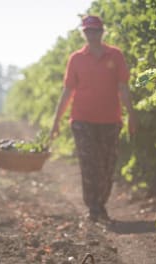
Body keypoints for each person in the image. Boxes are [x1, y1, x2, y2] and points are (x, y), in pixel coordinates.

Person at [50, 15, 136, 222]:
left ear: (102, 32)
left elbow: (123, 87)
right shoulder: (76, 59)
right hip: (82, 120)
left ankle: (101, 202)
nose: (92, 35)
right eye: (88, 31)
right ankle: (94, 207)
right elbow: (68, 91)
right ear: (84, 33)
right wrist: (56, 121)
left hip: (111, 120)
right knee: (89, 164)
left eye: (96, 31)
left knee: (107, 165)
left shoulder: (115, 55)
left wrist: (132, 115)